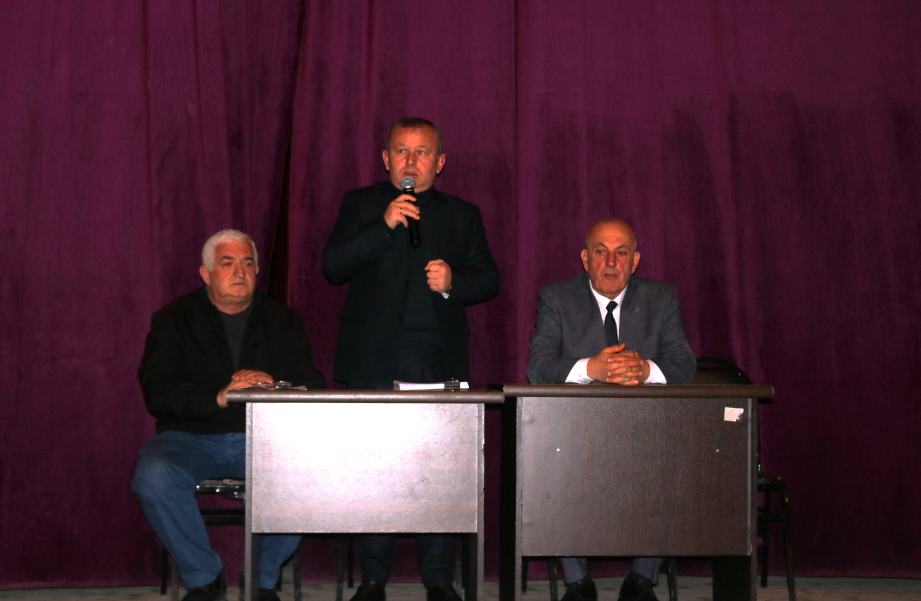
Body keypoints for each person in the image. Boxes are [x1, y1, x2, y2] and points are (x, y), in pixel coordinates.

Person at [322, 117, 500, 601]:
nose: (411, 161)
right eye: (402, 150)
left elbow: (489, 279)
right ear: (386, 159)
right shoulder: (361, 205)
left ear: (440, 163)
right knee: (375, 470)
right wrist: (383, 224)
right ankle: (373, 579)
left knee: (436, 472)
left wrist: (454, 282)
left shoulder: (463, 214)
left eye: (422, 152)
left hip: (438, 362)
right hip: (373, 361)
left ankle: (438, 580)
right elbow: (332, 266)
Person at [133, 229, 325, 601]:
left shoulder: (284, 320)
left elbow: (312, 387)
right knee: (154, 476)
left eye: (247, 263)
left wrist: (272, 384)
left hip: (268, 439)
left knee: (316, 473)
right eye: (228, 263)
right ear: (206, 274)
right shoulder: (173, 320)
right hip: (190, 437)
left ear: (257, 272)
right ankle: (205, 579)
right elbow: (158, 391)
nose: (240, 272)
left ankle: (260, 579)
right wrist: (220, 395)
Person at [527, 218, 696, 601]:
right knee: (551, 462)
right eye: (600, 252)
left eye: (621, 253)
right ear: (585, 259)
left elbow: (684, 365)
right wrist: (591, 368)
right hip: (574, 435)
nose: (610, 262)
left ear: (635, 261)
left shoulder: (661, 298)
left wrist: (645, 369)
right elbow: (538, 367)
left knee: (670, 460)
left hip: (646, 434)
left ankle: (641, 579)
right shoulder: (557, 298)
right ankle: (577, 582)